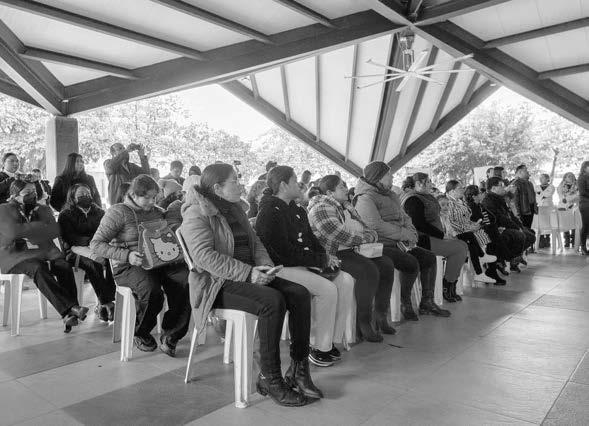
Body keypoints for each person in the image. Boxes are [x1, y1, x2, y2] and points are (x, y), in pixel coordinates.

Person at [180, 163, 321, 406]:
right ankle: (270, 377)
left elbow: (255, 243)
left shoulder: (235, 209)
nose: (241, 184)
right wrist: (248, 273)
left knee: (299, 293)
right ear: (217, 188)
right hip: (217, 284)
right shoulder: (197, 213)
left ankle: (299, 369)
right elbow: (204, 257)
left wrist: (264, 267)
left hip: (249, 275)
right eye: (235, 181)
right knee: (272, 301)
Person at [256, 166, 355, 366]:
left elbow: (311, 240)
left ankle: (332, 339)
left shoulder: (298, 209)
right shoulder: (269, 211)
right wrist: (318, 261)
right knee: (327, 289)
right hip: (280, 268)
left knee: (346, 281)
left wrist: (325, 257)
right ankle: (318, 346)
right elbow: (282, 253)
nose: (300, 185)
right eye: (295, 181)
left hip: (301, 263)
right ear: (283, 185)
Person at [90, 175, 190, 357]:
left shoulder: (158, 212)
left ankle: (172, 334)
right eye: (147, 197)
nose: (152, 202)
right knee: (152, 291)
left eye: (155, 197)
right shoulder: (118, 212)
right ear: (133, 195)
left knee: (186, 281)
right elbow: (96, 244)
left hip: (159, 263)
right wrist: (127, 255)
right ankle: (140, 331)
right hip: (128, 266)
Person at [307, 175, 396, 341]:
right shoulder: (321, 207)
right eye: (341, 187)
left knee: (386, 264)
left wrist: (368, 235)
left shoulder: (346, 207)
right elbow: (338, 234)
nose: (346, 189)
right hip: (332, 254)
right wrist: (365, 237)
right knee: (368, 270)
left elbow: (366, 228)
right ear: (329, 192)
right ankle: (363, 322)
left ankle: (380, 316)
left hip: (352, 249)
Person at [353, 163, 451, 313]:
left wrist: (411, 232)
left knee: (429, 258)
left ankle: (427, 302)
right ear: (378, 177)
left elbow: (405, 217)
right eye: (388, 174)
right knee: (410, 262)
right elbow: (375, 225)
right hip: (381, 244)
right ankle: (405, 302)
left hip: (399, 242)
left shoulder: (391, 194)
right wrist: (405, 234)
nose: (392, 177)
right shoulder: (365, 198)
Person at [0, 180, 88, 332]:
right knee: (38, 267)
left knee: (64, 266)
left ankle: (70, 314)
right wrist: (40, 227)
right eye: (27, 193)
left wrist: (25, 231)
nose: (33, 195)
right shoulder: (3, 209)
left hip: (44, 252)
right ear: (14, 195)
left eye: (34, 191)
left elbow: (54, 230)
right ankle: (71, 309)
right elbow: (12, 233)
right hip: (15, 256)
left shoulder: (43, 209)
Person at [401, 173, 468, 302]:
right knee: (459, 248)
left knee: (463, 245)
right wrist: (442, 235)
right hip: (421, 240)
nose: (431, 184)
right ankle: (447, 285)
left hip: (432, 236)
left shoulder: (424, 196)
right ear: (418, 184)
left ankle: (451, 284)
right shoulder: (412, 200)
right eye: (428, 182)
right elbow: (419, 224)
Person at [58, 184, 116, 321]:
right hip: (74, 251)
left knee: (112, 260)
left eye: (88, 194)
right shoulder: (66, 214)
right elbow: (70, 238)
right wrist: (92, 241)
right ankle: (107, 303)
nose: (86, 197)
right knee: (93, 263)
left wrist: (99, 242)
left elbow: (106, 230)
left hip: (98, 247)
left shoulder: (99, 212)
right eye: (81, 195)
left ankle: (104, 303)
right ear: (73, 197)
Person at [445, 180, 497, 285]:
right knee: (470, 236)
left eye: (462, 188)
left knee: (473, 240)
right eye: (460, 188)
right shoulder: (449, 203)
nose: (462, 190)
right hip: (454, 233)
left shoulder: (460, 201)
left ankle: (479, 272)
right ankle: (481, 261)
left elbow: (467, 218)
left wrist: (473, 225)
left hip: (465, 231)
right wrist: (468, 228)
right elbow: (450, 222)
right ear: (452, 191)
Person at [482, 177, 535, 271]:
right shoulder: (488, 201)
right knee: (520, 235)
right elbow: (501, 219)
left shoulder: (500, 198)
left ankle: (513, 258)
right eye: (501, 185)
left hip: (506, 226)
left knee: (531, 235)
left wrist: (519, 226)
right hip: (497, 229)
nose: (504, 187)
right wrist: (517, 228)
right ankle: (507, 259)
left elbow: (510, 215)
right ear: (493, 188)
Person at [464, 185, 509, 284]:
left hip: (484, 231)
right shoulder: (471, 207)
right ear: (474, 196)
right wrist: (485, 225)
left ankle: (494, 268)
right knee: (494, 242)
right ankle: (493, 269)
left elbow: (491, 218)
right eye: (480, 193)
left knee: (497, 238)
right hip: (475, 233)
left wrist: (490, 225)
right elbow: (475, 222)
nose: (482, 194)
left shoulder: (479, 205)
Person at [511, 164, 538, 229]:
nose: (527, 171)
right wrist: (518, 214)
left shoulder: (530, 183)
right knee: (524, 229)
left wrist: (535, 207)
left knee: (529, 228)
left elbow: (533, 197)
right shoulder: (516, 183)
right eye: (525, 170)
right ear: (520, 172)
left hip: (530, 209)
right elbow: (515, 200)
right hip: (523, 211)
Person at [557, 172, 578, 248]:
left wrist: (568, 199)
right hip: (563, 207)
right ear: (565, 177)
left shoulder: (576, 185)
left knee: (574, 223)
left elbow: (577, 195)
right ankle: (567, 239)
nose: (570, 177)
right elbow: (560, 195)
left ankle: (574, 239)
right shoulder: (561, 185)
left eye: (571, 176)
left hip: (573, 207)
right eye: (568, 176)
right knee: (565, 224)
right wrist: (565, 198)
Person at [578, 161, 589, 255]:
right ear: (585, 168)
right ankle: (583, 247)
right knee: (585, 225)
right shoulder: (581, 178)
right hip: (585, 204)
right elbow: (582, 192)